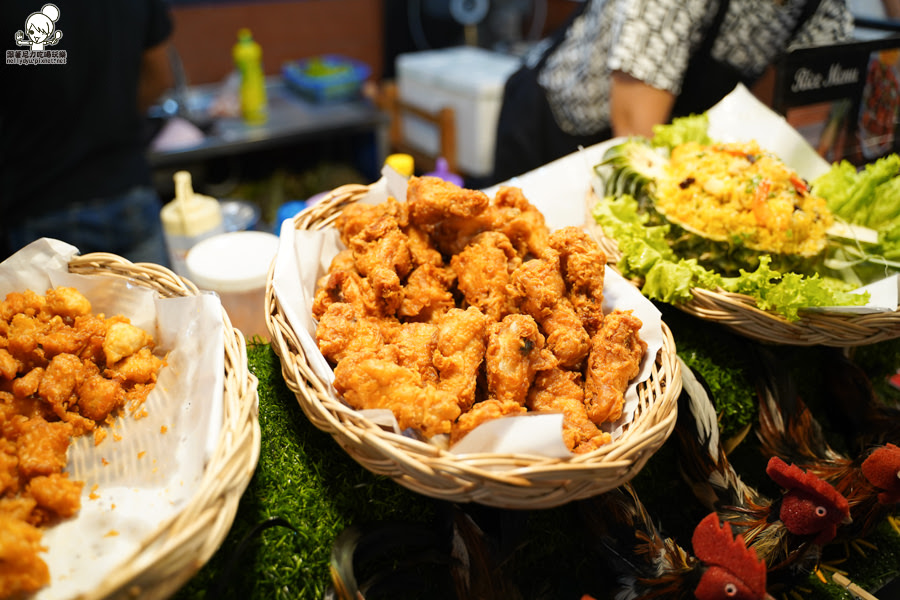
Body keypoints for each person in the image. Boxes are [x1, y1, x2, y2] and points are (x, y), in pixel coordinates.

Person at [490, 0, 859, 184]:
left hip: (668, 147)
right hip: (557, 124)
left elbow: (779, 134)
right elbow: (635, 136)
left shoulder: (823, 9)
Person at [0, 0, 174, 264]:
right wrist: (116, 114)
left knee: (44, 307)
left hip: (37, 201)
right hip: (126, 191)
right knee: (156, 302)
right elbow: (159, 77)